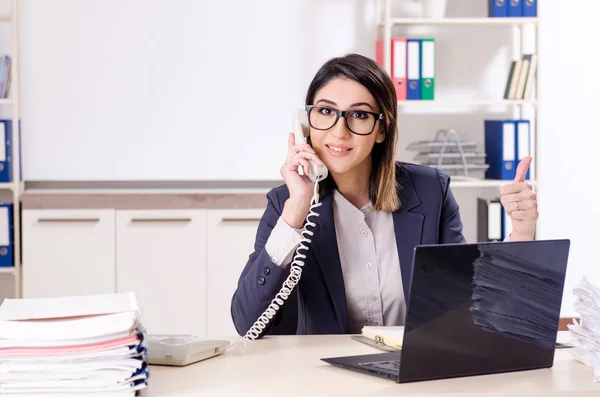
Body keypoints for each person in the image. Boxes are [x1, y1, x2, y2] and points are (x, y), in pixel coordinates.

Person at [230, 53, 538, 337]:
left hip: (414, 373)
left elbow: (471, 303)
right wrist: (297, 209)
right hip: (324, 379)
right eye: (325, 111)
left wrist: (520, 235)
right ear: (307, 122)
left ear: (382, 129)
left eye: (359, 116)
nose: (339, 131)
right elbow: (247, 323)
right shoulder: (286, 204)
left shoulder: (431, 192)